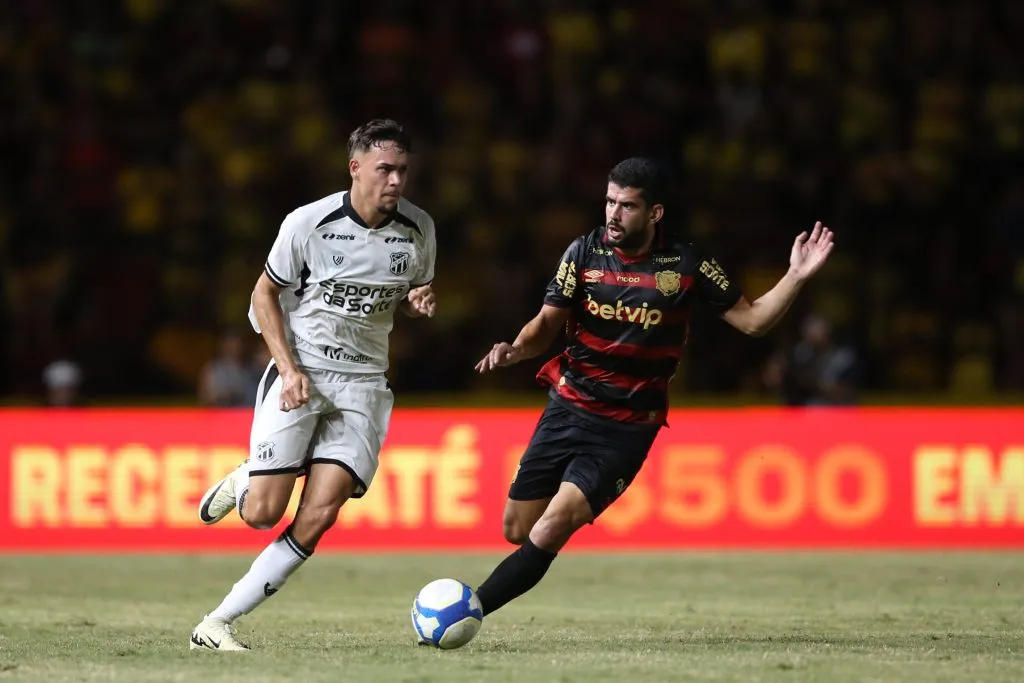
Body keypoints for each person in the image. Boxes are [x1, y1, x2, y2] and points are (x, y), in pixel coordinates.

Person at [470, 157, 834, 620]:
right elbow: (546, 323)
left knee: (554, 523)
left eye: (626, 206)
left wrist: (796, 276)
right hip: (568, 405)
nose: (613, 214)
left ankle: (467, 610)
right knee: (517, 529)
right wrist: (517, 349)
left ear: (654, 212)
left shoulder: (687, 263)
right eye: (609, 202)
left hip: (625, 428)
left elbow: (754, 321)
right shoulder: (583, 253)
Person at [190, 119, 438, 651]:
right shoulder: (308, 223)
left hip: (365, 385)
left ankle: (215, 624)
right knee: (261, 514)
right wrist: (288, 368)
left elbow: (412, 290)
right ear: (355, 168)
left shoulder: (419, 228)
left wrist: (419, 301)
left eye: (403, 171)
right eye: (385, 169)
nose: (396, 180)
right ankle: (250, 475)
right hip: (303, 371)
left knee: (321, 512)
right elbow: (263, 294)